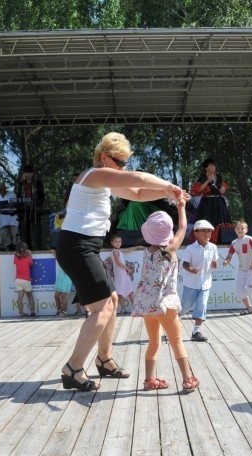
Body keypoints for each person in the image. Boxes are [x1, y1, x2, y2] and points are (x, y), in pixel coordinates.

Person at [55, 131, 187, 391]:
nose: (123, 167)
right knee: (102, 307)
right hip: (76, 246)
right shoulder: (94, 174)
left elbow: (137, 192)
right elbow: (137, 178)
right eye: (120, 162)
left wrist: (169, 195)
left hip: (83, 246)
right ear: (104, 157)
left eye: (125, 163)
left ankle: (104, 360)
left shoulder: (103, 180)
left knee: (111, 301)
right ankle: (72, 368)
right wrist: (169, 186)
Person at [133, 200, 200, 391]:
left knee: (153, 342)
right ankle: (188, 379)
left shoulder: (147, 251)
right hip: (165, 304)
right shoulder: (171, 249)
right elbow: (184, 226)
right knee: (176, 341)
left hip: (148, 305)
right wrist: (181, 207)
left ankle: (149, 380)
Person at [180, 219, 219, 342]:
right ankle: (173, 324)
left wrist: (215, 264)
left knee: (201, 306)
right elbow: (184, 264)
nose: (208, 234)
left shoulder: (213, 247)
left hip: (206, 283)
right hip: (191, 283)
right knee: (184, 307)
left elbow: (214, 263)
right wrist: (191, 269)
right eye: (204, 231)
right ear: (196, 233)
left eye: (209, 231)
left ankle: (196, 331)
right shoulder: (190, 248)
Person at [222, 220, 252, 315]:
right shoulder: (234, 243)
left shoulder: (249, 239)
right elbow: (229, 256)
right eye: (238, 228)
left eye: (242, 228)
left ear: (246, 230)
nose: (240, 230)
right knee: (239, 291)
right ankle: (249, 308)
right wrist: (226, 261)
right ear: (235, 230)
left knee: (250, 288)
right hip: (242, 269)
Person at [190, 158, 230, 234]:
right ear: (206, 168)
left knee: (220, 220)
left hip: (219, 203)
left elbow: (222, 191)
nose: (213, 167)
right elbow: (197, 190)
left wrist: (222, 187)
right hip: (207, 203)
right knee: (207, 221)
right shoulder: (203, 178)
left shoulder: (219, 177)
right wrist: (208, 181)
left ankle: (221, 239)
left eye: (214, 165)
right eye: (211, 165)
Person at [16, 164, 45, 250]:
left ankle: (38, 248)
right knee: (25, 231)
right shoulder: (21, 184)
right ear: (24, 174)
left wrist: (38, 206)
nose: (28, 174)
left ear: (32, 174)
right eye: (26, 173)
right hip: (24, 211)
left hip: (35, 210)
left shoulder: (37, 183)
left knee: (37, 230)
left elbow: (42, 196)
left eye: (30, 172)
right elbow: (18, 197)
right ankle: (27, 249)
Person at [109, 233, 135, 315]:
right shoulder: (115, 251)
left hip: (122, 274)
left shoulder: (119, 251)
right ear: (112, 242)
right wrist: (127, 268)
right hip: (121, 274)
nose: (118, 243)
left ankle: (126, 309)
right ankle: (132, 308)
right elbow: (117, 262)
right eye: (116, 241)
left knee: (124, 291)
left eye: (119, 241)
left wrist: (138, 247)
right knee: (124, 291)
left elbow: (128, 250)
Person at [13, 242, 35, 318]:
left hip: (18, 279)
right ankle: (32, 312)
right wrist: (30, 254)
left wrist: (17, 254)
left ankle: (20, 313)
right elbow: (31, 264)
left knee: (20, 297)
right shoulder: (28, 257)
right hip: (26, 279)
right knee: (30, 296)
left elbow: (14, 262)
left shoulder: (15, 257)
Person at [0, 183, 19, 251]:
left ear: (5, 188)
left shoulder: (12, 194)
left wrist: (10, 205)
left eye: (1, 189)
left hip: (13, 217)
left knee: (15, 234)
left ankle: (16, 248)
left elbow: (16, 205)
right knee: (4, 234)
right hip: (3, 219)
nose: (0, 191)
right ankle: (9, 248)